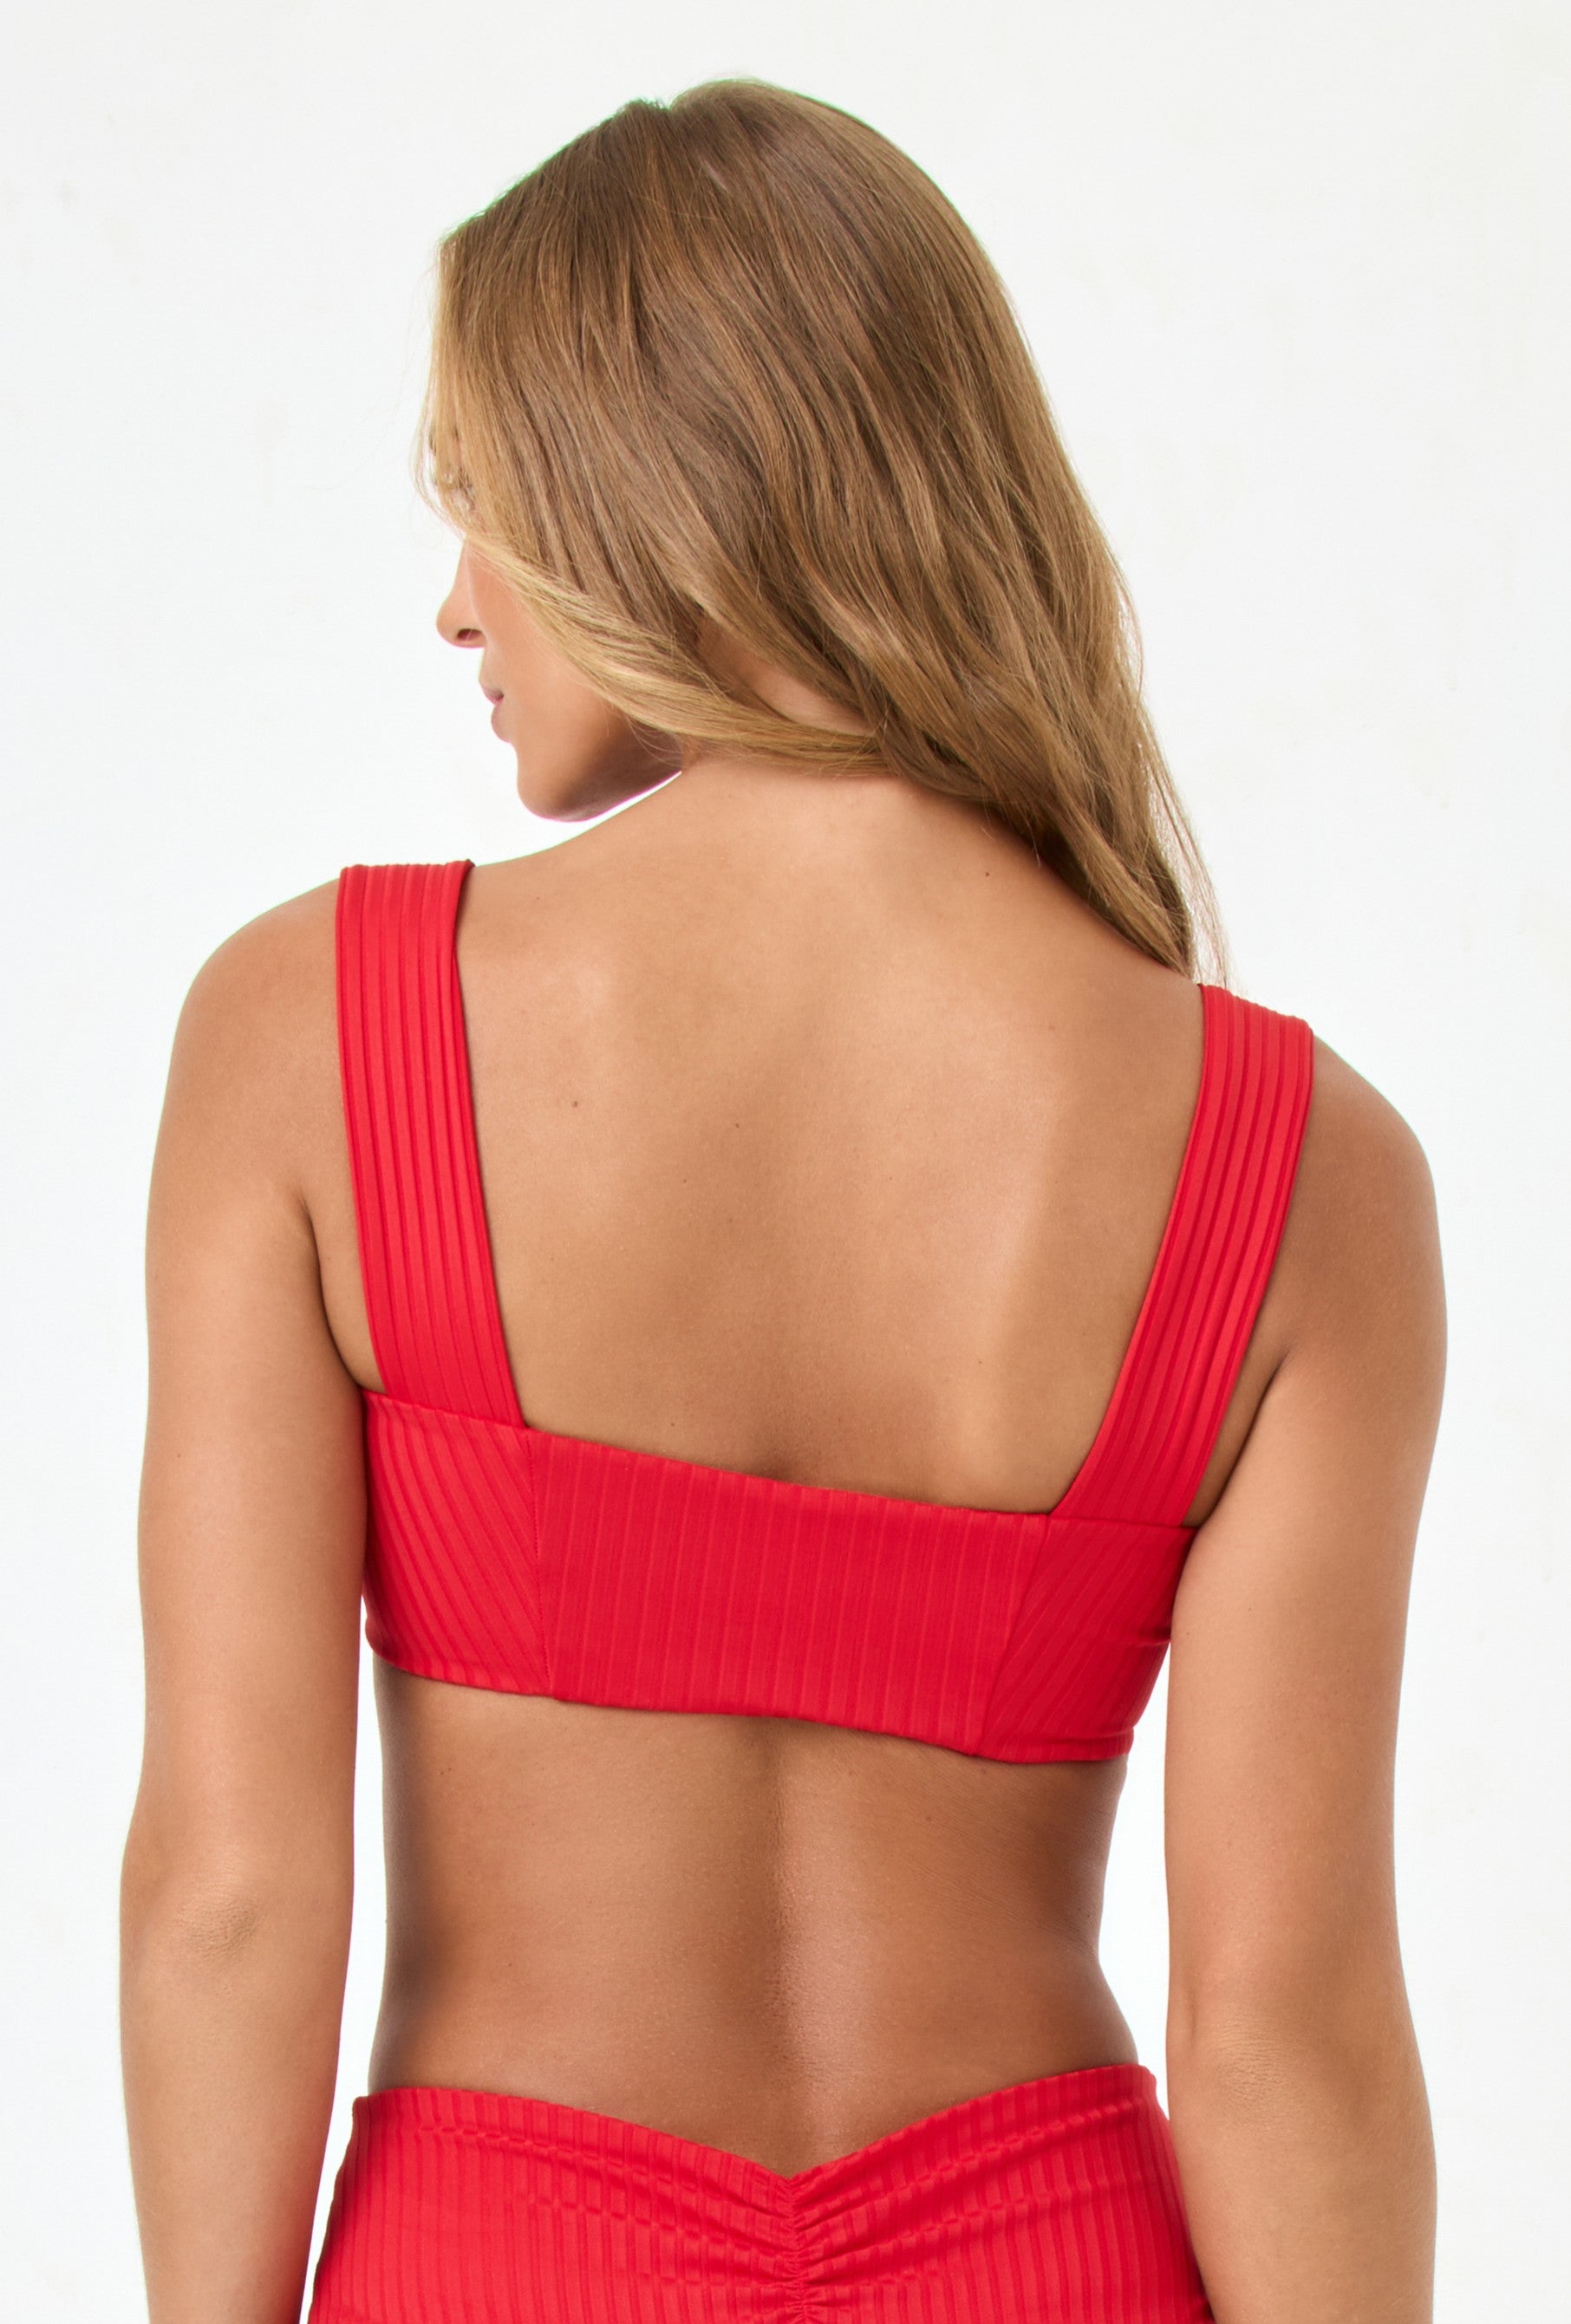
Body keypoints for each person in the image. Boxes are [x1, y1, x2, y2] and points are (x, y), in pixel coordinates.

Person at [120, 80, 1444, 2324]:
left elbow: (233, 1901)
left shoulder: (309, 1036)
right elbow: (1281, 2040)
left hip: (499, 2270)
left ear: (651, 498)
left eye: (483, 501)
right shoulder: (1302, 1165)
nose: (455, 605)